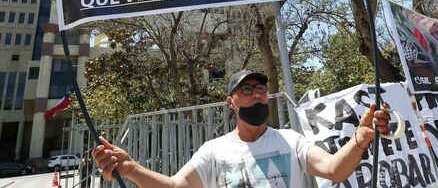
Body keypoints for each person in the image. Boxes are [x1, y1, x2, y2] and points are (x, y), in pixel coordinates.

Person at [93, 70, 392, 187]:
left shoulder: (290, 140)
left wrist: (359, 139)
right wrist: (131, 168)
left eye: (261, 88)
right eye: (247, 89)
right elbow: (175, 187)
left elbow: (334, 170)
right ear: (231, 102)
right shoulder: (213, 151)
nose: (257, 94)